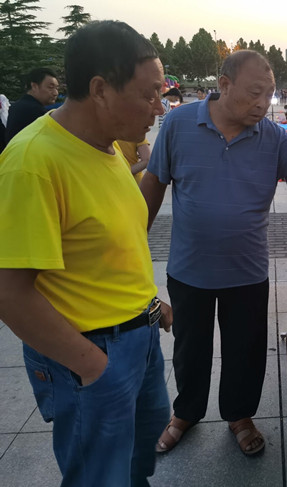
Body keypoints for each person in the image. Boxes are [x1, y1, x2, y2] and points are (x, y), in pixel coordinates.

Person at [140, 49, 287, 456]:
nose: (264, 103)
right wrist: (132, 240)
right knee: (189, 349)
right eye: (254, 93)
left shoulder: (273, 137)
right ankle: (185, 413)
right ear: (224, 85)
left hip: (246, 271)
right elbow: (154, 183)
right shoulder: (179, 124)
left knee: (245, 350)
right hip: (189, 268)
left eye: (269, 94)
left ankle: (240, 415)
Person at [0, 21, 172, 486]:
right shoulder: (34, 162)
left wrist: (150, 303)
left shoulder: (109, 147)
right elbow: (10, 293)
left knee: (136, 460)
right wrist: (92, 367)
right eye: (150, 94)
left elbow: (109, 245)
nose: (160, 108)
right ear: (99, 90)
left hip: (139, 336)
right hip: (91, 352)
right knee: (99, 475)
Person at [4, 67, 59, 144]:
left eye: (57, 88)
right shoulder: (36, 111)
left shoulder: (15, 106)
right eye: (51, 87)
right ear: (34, 86)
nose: (55, 93)